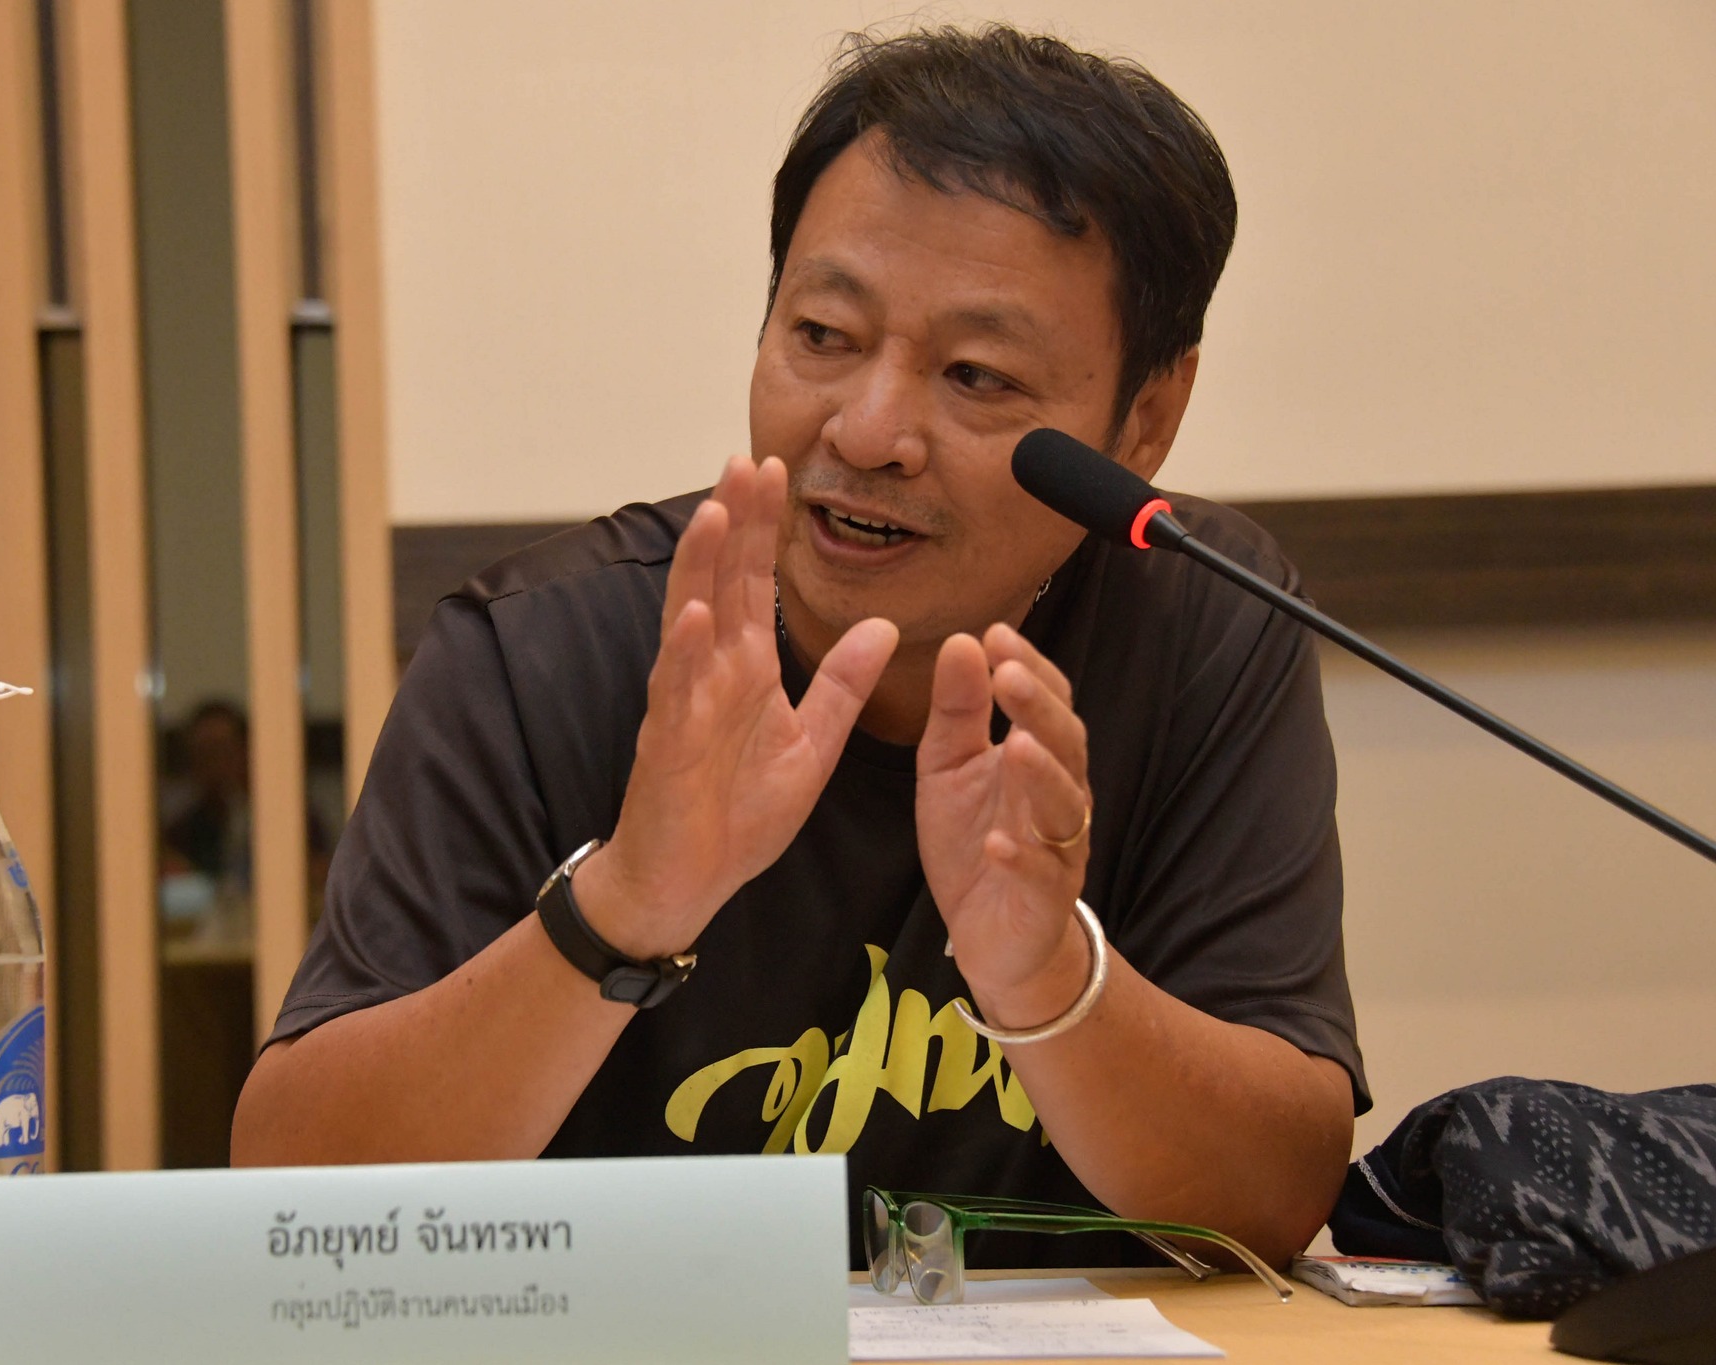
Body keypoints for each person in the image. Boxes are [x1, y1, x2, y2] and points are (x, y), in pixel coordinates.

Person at [232, 26, 1366, 1269]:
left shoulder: (1200, 630)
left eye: (976, 374)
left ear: (1144, 419)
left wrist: (1049, 980)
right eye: (822, 334)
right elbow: (297, 1207)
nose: (867, 431)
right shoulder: (538, 653)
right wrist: (624, 906)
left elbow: (1272, 1200)